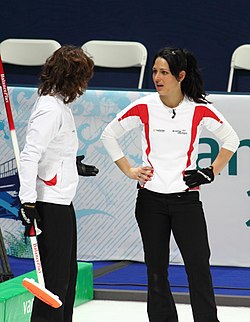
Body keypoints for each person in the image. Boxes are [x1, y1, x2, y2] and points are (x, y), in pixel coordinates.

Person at [101, 47, 239, 322]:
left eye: (164, 72)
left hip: (186, 203)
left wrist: (210, 172)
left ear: (181, 75)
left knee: (198, 267)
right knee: (156, 270)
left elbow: (231, 140)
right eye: (154, 71)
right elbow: (109, 135)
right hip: (150, 202)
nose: (157, 77)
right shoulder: (144, 106)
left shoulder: (200, 108)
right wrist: (129, 169)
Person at [18, 45, 98, 322]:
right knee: (54, 281)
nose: (85, 84)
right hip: (48, 204)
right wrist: (27, 200)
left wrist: (72, 166)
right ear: (71, 77)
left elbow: (53, 151)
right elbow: (30, 154)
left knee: (67, 277)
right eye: (83, 77)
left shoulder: (58, 104)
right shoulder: (50, 109)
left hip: (61, 200)